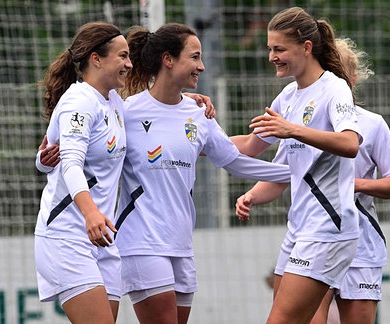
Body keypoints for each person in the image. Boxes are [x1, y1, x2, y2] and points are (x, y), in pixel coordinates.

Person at [114, 22, 291, 324]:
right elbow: (92, 149)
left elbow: (234, 160)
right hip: (140, 242)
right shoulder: (125, 111)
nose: (202, 66)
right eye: (194, 58)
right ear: (168, 60)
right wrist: (49, 156)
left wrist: (295, 173)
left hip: (181, 243)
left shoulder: (198, 113)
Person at [232, 7, 363, 324]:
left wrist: (293, 130)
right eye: (269, 49)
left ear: (306, 47)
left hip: (329, 229)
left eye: (279, 49)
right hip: (300, 229)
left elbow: (350, 143)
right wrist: (196, 139)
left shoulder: (334, 88)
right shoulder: (288, 96)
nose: (271, 57)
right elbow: (251, 147)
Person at [34, 22, 131, 324]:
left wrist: (184, 103)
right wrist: (90, 213)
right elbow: (70, 163)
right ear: (96, 58)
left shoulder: (113, 101)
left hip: (101, 237)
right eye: (122, 56)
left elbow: (146, 114)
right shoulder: (78, 102)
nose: (129, 64)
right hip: (67, 235)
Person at [308, 38, 390, 324]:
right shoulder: (304, 121)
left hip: (361, 244)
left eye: (340, 73)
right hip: (316, 240)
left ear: (353, 78)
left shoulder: (372, 124)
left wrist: (355, 185)